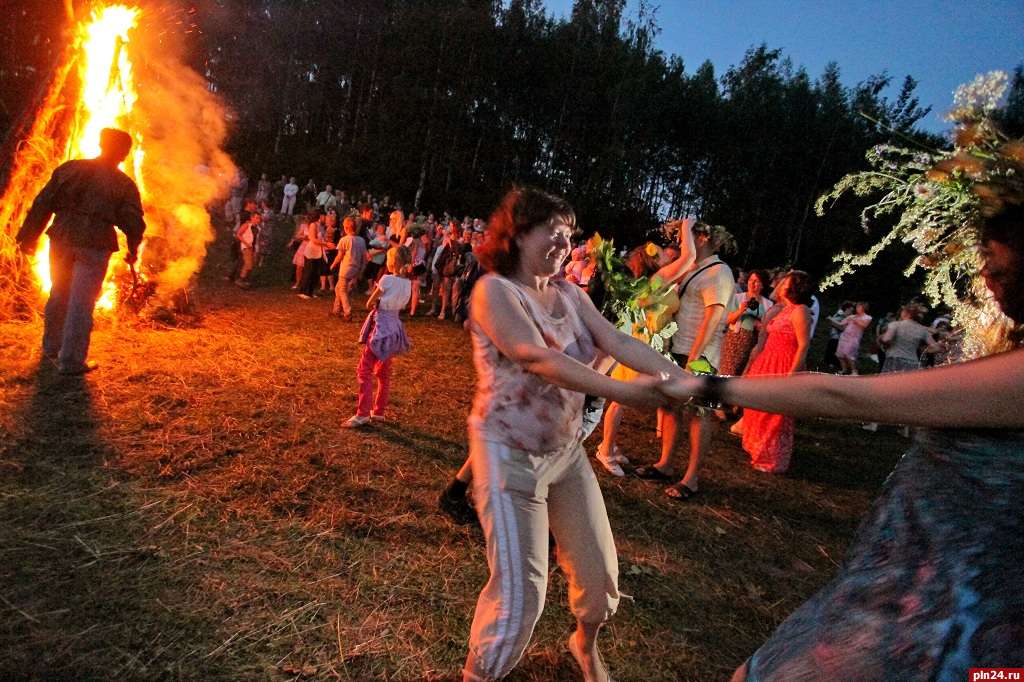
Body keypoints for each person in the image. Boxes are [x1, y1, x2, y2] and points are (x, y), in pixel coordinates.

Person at [660, 201, 1024, 682]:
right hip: (904, 582)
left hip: (945, 620)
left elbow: (846, 395)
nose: (984, 271)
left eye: (997, 260)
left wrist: (707, 386)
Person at [459, 187, 683, 682]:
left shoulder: (569, 294)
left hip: (564, 454)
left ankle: (583, 645)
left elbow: (619, 340)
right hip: (508, 455)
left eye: (569, 235)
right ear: (517, 234)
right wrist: (622, 391)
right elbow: (533, 356)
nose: (565, 243)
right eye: (553, 232)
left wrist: (679, 380)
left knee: (601, 580)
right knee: (520, 600)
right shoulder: (495, 291)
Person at [16, 127, 145, 374]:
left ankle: (51, 347)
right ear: (124, 154)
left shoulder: (70, 168)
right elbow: (133, 222)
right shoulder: (123, 184)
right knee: (81, 302)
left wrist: (28, 237)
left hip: (61, 238)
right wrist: (133, 247)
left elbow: (42, 203)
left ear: (100, 144)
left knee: (59, 293)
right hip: (94, 244)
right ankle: (72, 361)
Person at [633, 222, 736, 501]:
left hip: (701, 356)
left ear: (701, 238)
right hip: (677, 349)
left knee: (699, 413)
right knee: (670, 406)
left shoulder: (719, 271)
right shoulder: (692, 268)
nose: (679, 241)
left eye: (684, 237)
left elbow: (714, 315)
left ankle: (691, 478)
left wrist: (694, 357)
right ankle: (665, 464)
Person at [738, 271, 814, 473]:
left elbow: (804, 344)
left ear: (795, 287)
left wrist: (792, 375)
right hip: (767, 360)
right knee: (756, 407)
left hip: (783, 363)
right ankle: (756, 448)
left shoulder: (800, 311)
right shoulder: (781, 309)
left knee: (773, 414)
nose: (780, 285)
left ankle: (770, 458)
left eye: (785, 283)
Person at [342, 246, 414, 427]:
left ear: (391, 262)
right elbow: (403, 306)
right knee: (383, 372)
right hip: (394, 329)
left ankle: (363, 413)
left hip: (380, 329)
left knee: (364, 369)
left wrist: (377, 297)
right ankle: (379, 411)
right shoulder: (408, 284)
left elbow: (369, 303)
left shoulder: (387, 279)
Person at [718, 269, 771, 377]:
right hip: (735, 339)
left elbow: (768, 326)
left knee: (743, 372)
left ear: (762, 285)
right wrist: (740, 311)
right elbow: (728, 320)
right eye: (751, 280)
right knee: (728, 371)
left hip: (754, 341)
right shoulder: (738, 297)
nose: (752, 283)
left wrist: (761, 325)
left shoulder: (768, 304)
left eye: (756, 281)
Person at [330, 216, 367, 320]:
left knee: (342, 290)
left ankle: (347, 312)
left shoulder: (344, 240)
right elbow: (364, 256)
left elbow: (339, 256)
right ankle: (336, 309)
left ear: (346, 228)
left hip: (346, 268)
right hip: (355, 268)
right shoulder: (361, 240)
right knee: (338, 288)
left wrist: (333, 264)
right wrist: (362, 269)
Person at [832, 302, 871, 374]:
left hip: (853, 339)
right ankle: (844, 369)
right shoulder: (852, 316)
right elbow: (841, 324)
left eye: (859, 307)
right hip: (844, 337)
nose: (857, 308)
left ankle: (854, 371)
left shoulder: (867, 317)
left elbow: (864, 326)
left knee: (849, 355)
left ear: (864, 308)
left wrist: (855, 319)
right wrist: (831, 319)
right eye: (857, 307)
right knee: (840, 355)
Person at [823, 301, 854, 372]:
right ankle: (831, 365)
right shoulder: (840, 315)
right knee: (832, 351)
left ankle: (834, 365)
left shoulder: (845, 316)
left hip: (839, 338)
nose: (851, 313)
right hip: (836, 337)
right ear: (846, 309)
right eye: (851, 310)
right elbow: (839, 326)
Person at [234, 211, 262, 288]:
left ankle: (244, 279)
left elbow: (257, 239)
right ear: (252, 218)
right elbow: (238, 234)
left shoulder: (258, 229)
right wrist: (246, 243)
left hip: (253, 248)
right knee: (248, 264)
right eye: (256, 218)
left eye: (259, 218)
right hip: (246, 247)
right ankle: (241, 279)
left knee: (250, 264)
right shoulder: (246, 225)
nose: (258, 220)